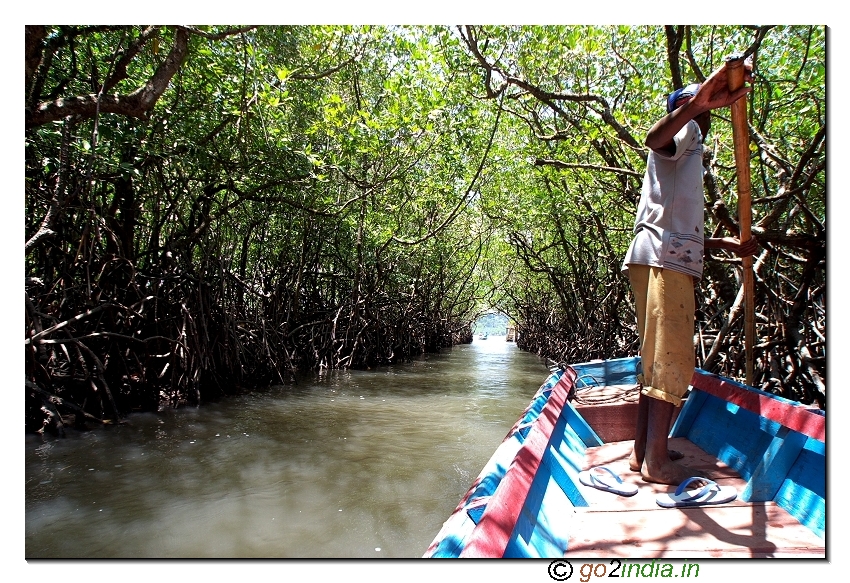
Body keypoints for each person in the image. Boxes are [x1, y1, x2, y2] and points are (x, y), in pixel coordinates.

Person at [622, 61, 759, 485]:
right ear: (685, 108)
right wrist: (695, 104)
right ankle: (657, 463)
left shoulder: (687, 151)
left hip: (657, 254)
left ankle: (642, 450)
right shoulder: (688, 131)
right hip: (665, 262)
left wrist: (729, 244)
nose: (711, 110)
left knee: (654, 359)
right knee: (671, 358)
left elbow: (677, 225)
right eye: (703, 104)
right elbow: (654, 138)